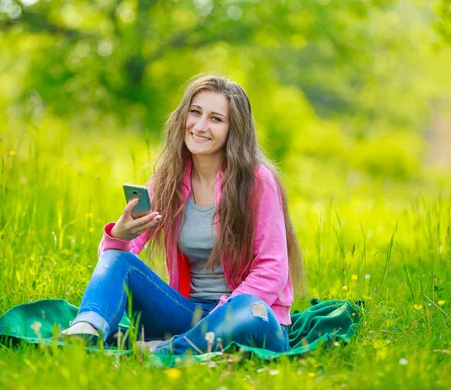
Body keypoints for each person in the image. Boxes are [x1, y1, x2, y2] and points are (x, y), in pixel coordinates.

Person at [61, 75, 305, 354]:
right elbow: (113, 260)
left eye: (216, 119)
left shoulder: (257, 181)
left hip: (245, 315)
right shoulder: (169, 179)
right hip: (189, 314)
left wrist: (220, 318)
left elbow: (272, 270)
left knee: (250, 312)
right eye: (195, 112)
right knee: (119, 261)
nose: (200, 126)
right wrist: (119, 236)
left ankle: (161, 350)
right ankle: (85, 331)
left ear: (233, 129)